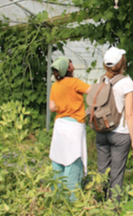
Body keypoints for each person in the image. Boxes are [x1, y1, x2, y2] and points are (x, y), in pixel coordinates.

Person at [95, 47, 133, 201]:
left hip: (101, 130)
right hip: (120, 133)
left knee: (102, 171)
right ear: (122, 63)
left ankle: (98, 205)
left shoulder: (101, 80)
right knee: (116, 175)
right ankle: (113, 208)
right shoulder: (126, 82)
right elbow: (129, 114)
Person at [49, 57, 91, 202]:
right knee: (73, 161)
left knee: (58, 160)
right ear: (68, 68)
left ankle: (57, 199)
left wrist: (62, 103)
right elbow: (92, 92)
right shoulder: (74, 82)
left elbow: (52, 107)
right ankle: (72, 201)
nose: (72, 64)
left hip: (60, 126)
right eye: (70, 62)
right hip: (74, 127)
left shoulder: (55, 86)